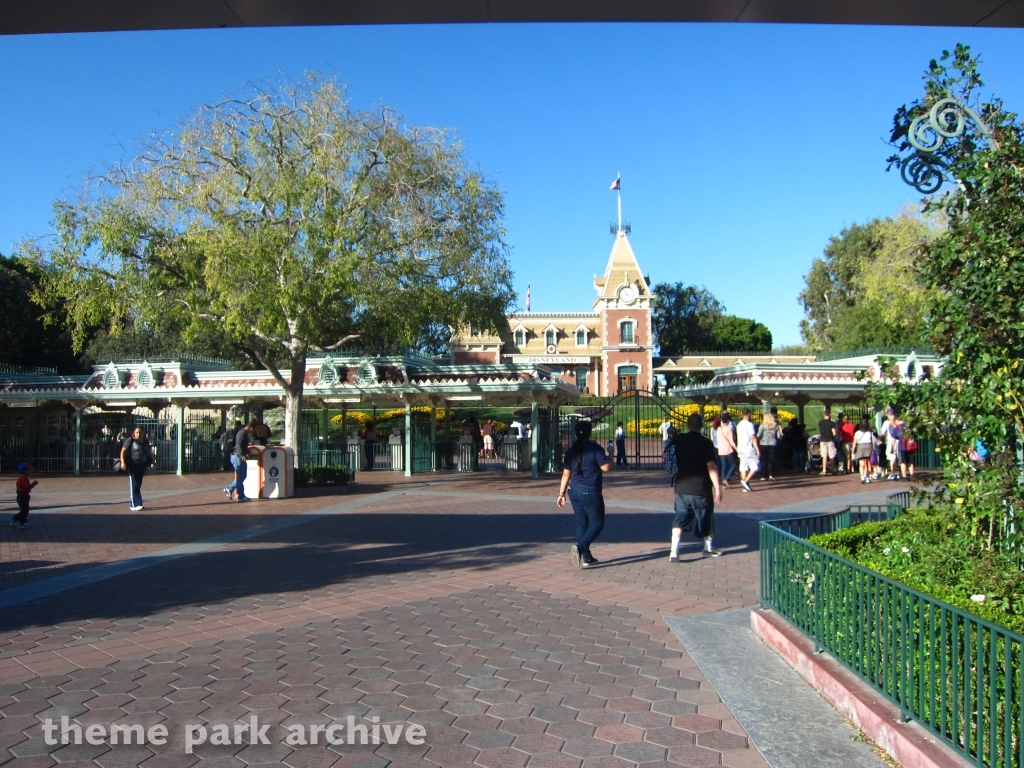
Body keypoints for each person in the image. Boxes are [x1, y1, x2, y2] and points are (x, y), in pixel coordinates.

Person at [667, 413, 723, 560]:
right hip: (701, 488)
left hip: (682, 487)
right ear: (702, 425)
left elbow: (666, 454)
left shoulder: (679, 439)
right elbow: (711, 466)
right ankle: (708, 548)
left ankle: (674, 550)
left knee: (679, 519)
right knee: (706, 517)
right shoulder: (706, 443)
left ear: (687, 425)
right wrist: (717, 486)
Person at [557, 420, 611, 569]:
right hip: (590, 491)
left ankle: (587, 557)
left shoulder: (571, 450)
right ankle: (580, 548)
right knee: (597, 524)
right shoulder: (595, 448)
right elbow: (606, 467)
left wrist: (561, 494)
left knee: (581, 524)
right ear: (590, 432)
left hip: (573, 490)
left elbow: (565, 474)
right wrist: (610, 453)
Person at [120, 426, 152, 511]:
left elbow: (148, 452)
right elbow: (123, 451)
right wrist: (123, 462)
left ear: (143, 433)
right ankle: (135, 504)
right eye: (137, 432)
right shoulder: (130, 440)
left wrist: (151, 461)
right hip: (132, 464)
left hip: (141, 464)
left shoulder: (145, 441)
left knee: (138, 483)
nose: (138, 434)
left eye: (140, 432)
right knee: (134, 483)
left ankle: (137, 503)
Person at [225, 422, 256, 502]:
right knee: (240, 477)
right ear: (251, 428)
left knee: (243, 476)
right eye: (252, 430)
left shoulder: (243, 433)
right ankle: (239, 494)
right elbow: (238, 445)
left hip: (238, 456)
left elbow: (242, 445)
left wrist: (247, 452)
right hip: (237, 456)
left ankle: (234, 491)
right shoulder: (242, 433)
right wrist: (242, 455)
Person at [735, 409, 760, 492]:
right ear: (749, 414)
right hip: (748, 448)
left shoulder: (739, 425)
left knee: (743, 467)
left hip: (740, 448)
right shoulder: (749, 425)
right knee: (756, 465)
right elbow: (753, 437)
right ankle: (746, 481)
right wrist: (757, 449)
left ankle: (745, 485)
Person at [756, 412, 782, 481]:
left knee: (764, 460)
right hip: (773, 444)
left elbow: (758, 435)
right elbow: (779, 437)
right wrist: (781, 431)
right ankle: (771, 475)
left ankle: (763, 476)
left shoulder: (762, 425)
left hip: (763, 444)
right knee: (771, 460)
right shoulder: (775, 425)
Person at [715, 413, 738, 489]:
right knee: (734, 464)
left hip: (721, 450)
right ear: (728, 420)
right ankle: (726, 479)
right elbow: (731, 441)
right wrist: (737, 449)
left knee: (723, 466)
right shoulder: (729, 428)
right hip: (728, 449)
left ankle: (724, 482)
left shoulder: (718, 429)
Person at [12, 463, 38, 529]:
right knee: (24, 510)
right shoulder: (24, 479)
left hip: (23, 496)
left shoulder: (22, 478)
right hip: (22, 496)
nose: (30, 472)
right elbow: (27, 487)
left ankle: (22, 522)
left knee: (25, 510)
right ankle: (14, 518)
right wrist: (34, 483)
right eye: (29, 471)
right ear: (25, 471)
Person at [853, 418, 876, 483]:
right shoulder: (870, 433)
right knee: (868, 463)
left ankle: (862, 477)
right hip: (868, 447)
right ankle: (867, 477)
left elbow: (854, 442)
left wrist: (853, 451)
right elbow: (873, 441)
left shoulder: (857, 433)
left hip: (860, 447)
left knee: (861, 464)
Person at [818, 409, 838, 476]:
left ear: (824, 414)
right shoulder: (832, 423)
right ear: (830, 415)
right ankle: (833, 470)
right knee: (831, 455)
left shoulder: (820, 422)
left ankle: (824, 470)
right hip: (830, 440)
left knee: (824, 455)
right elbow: (834, 433)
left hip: (823, 439)